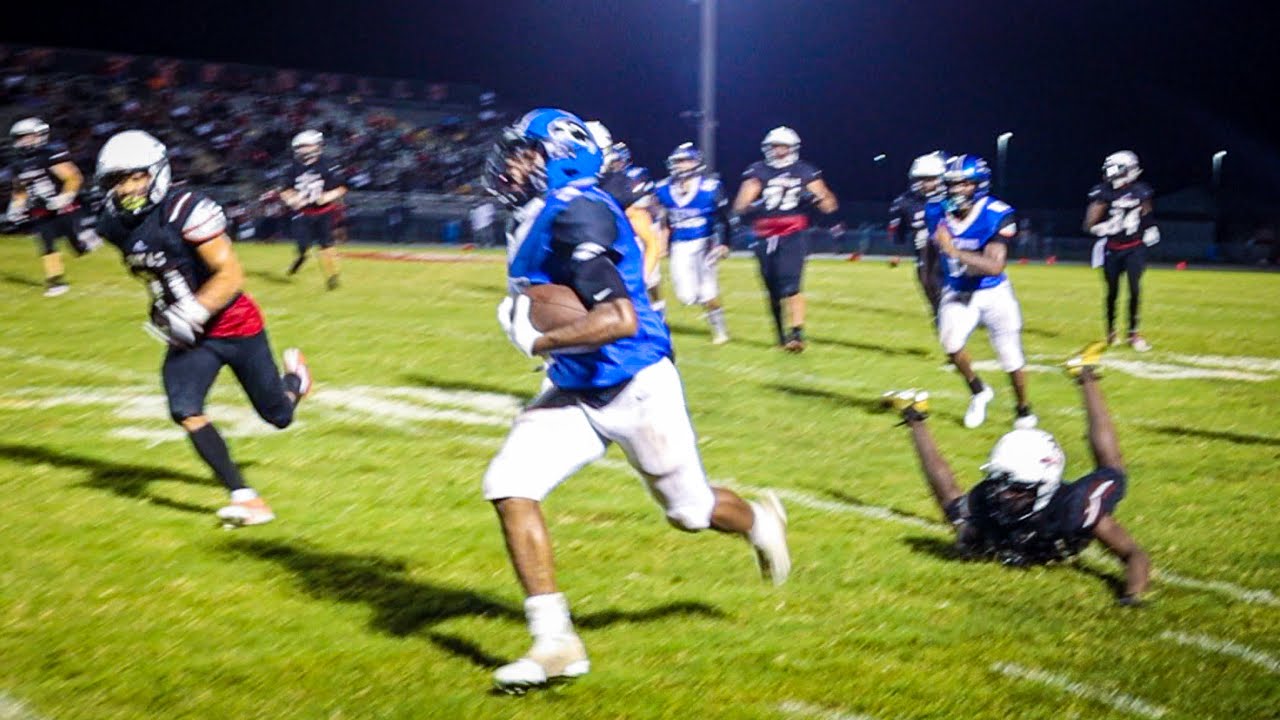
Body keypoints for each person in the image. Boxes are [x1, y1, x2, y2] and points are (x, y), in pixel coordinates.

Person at [482, 109, 790, 692]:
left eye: (525, 153)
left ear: (558, 159)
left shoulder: (577, 210)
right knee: (509, 484)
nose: (512, 164)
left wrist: (537, 339)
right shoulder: (539, 210)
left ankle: (757, 519)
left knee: (691, 513)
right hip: (575, 385)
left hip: (636, 383)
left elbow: (619, 319)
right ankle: (555, 642)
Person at [94, 130, 313, 528]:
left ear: (157, 173)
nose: (127, 188)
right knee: (184, 407)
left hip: (233, 323)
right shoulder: (113, 223)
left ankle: (296, 383)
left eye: (136, 176)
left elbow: (231, 274)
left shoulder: (185, 209)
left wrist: (192, 311)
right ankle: (245, 497)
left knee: (278, 416)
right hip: (191, 336)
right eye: (117, 180)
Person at [883, 341, 1150, 604]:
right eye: (1000, 483)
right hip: (1027, 532)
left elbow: (1133, 555)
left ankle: (1086, 374)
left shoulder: (1075, 509)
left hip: (1055, 514)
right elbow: (949, 496)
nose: (1003, 495)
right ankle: (915, 415)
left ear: (1044, 487)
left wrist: (1132, 595)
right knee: (959, 520)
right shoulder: (987, 501)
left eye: (1016, 489)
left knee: (1112, 466)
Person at [929, 154, 1036, 429]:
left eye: (964, 184)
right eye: (952, 184)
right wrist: (933, 283)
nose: (956, 190)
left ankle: (1023, 409)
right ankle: (979, 390)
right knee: (950, 343)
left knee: (1010, 355)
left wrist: (954, 251)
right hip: (958, 289)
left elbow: (995, 266)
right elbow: (931, 253)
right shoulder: (936, 212)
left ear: (978, 185)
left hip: (993, 291)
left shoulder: (996, 213)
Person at [732, 126, 838, 352]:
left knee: (791, 283)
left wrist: (815, 198)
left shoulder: (804, 171)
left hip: (793, 232)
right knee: (772, 288)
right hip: (764, 235)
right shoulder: (758, 170)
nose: (779, 151)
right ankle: (781, 335)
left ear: (793, 148)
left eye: (783, 147)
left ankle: (797, 333)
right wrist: (755, 204)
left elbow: (829, 205)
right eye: (775, 146)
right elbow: (740, 205)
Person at [5, 117, 101, 296]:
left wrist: (64, 197)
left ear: (40, 135)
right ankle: (55, 282)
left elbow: (73, 177)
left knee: (78, 247)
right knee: (46, 244)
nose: (23, 141)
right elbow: (20, 189)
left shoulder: (49, 155)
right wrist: (16, 206)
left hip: (63, 207)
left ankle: (87, 238)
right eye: (20, 138)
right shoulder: (18, 164)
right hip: (40, 210)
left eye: (27, 137)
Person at [653, 143, 731, 343]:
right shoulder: (663, 188)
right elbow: (661, 218)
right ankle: (708, 311)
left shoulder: (710, 187)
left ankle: (720, 330)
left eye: (685, 161)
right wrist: (661, 241)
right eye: (678, 161)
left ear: (696, 163)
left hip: (704, 242)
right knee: (685, 296)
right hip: (679, 244)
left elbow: (724, 219)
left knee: (707, 291)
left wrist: (723, 243)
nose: (681, 165)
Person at [585, 123, 666, 314]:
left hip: (613, 268)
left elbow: (651, 243)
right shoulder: (566, 187)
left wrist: (639, 282)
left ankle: (656, 308)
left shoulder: (620, 188)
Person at [1083, 151, 1158, 351]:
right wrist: (1098, 228)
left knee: (1134, 289)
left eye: (1115, 168)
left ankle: (1134, 334)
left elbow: (1146, 212)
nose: (1111, 173)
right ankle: (1111, 333)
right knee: (1112, 292)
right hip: (1112, 248)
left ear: (1129, 169)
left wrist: (1150, 227)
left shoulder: (1141, 191)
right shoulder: (1102, 192)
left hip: (1134, 247)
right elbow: (1089, 222)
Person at [278, 129, 346, 289]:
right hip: (303, 212)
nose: (301, 150)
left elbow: (342, 187)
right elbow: (284, 189)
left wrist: (328, 196)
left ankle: (332, 277)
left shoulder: (329, 165)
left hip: (324, 211)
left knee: (326, 244)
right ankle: (301, 257)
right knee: (303, 245)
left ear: (316, 146)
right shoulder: (292, 168)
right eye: (299, 147)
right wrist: (292, 199)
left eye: (304, 146)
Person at [889, 152, 946, 324]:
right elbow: (898, 231)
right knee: (927, 282)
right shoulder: (904, 203)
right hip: (925, 255)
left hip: (953, 252)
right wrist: (896, 251)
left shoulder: (949, 200)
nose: (925, 184)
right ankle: (939, 316)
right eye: (921, 179)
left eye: (930, 179)